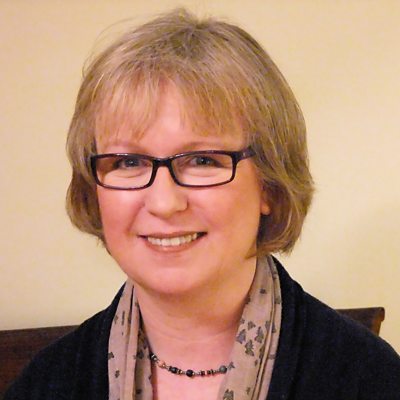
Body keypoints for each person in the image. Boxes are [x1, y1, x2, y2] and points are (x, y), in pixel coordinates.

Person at [5, 8, 400, 400]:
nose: (164, 202)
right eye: (128, 162)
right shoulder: (45, 384)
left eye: (202, 160)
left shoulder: (370, 379)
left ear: (269, 185)